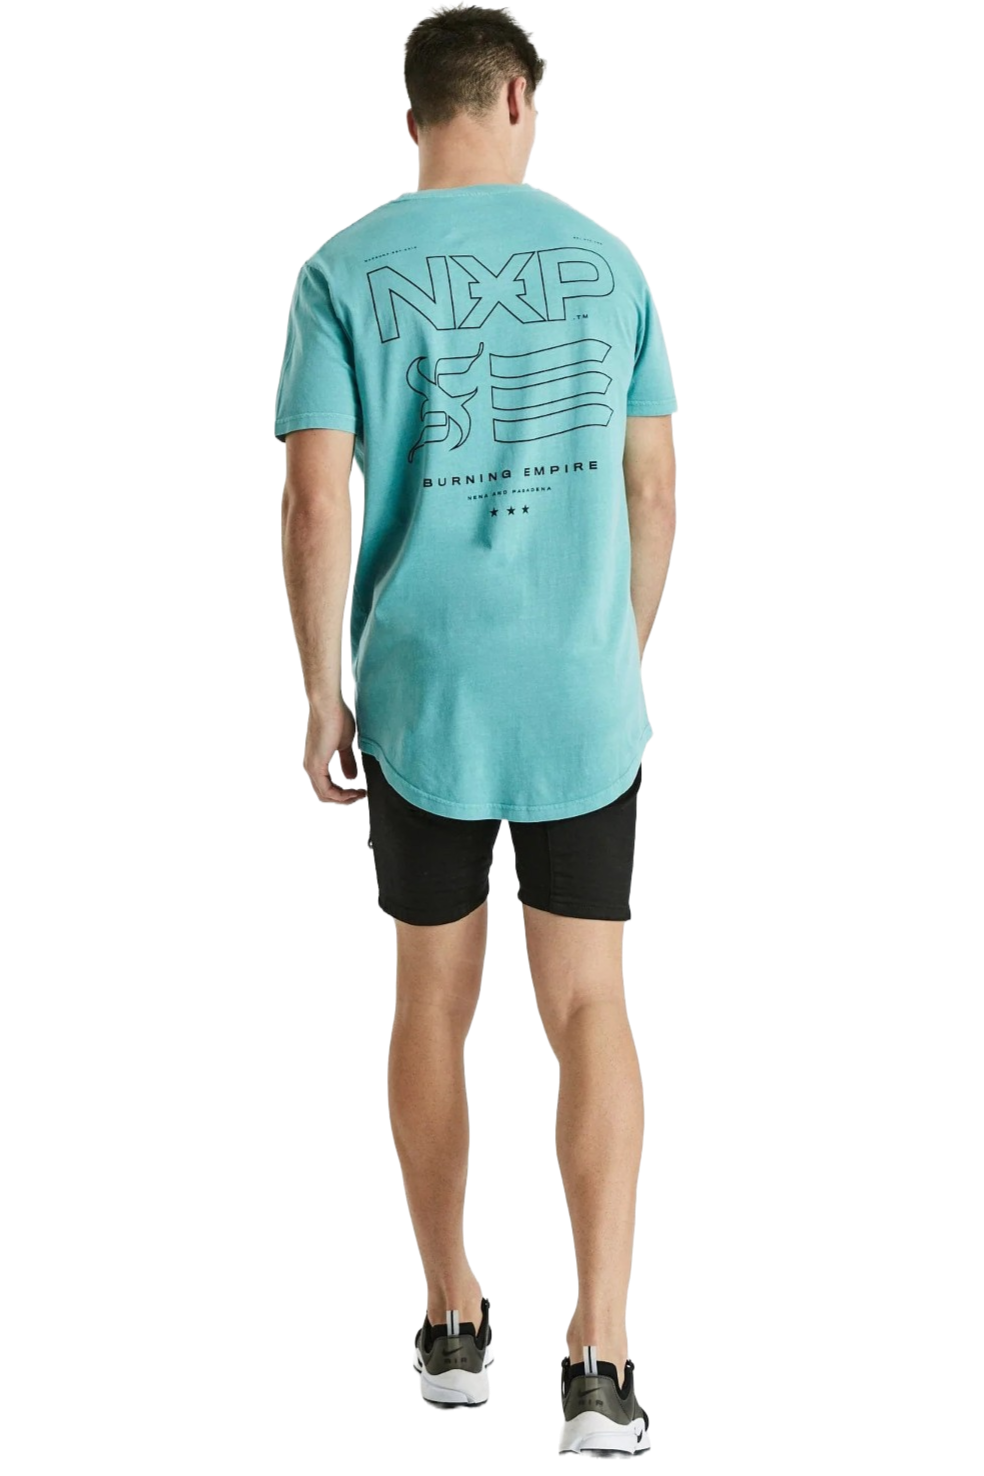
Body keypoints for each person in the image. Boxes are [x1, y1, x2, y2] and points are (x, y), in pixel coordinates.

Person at [274, 3, 676, 1458]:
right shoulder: (611, 261)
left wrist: (325, 692)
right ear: (517, 99)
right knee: (590, 1007)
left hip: (424, 692)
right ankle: (601, 1361)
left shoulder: (339, 268)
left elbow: (315, 498)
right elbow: (651, 490)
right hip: (578, 692)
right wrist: (612, 660)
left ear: (412, 118)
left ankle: (453, 1321)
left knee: (431, 1002)